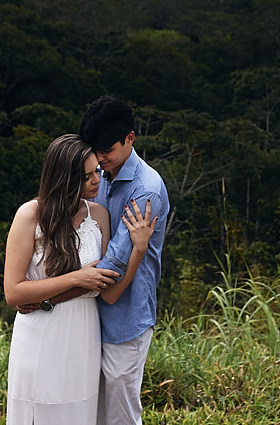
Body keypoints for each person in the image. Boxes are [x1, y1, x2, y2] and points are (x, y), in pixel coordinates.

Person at [4, 133, 157, 424]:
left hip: (83, 335)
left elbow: (109, 293)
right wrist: (77, 278)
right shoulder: (29, 215)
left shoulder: (98, 215)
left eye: (96, 172)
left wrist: (139, 249)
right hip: (40, 337)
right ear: (65, 179)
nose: (97, 181)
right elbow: (13, 293)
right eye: (87, 177)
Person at [80, 95, 170, 425]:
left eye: (107, 150)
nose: (100, 158)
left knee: (120, 414)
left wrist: (48, 290)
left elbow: (112, 269)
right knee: (92, 409)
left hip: (125, 317)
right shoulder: (97, 174)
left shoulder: (146, 189)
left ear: (130, 138)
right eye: (95, 150)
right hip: (88, 314)